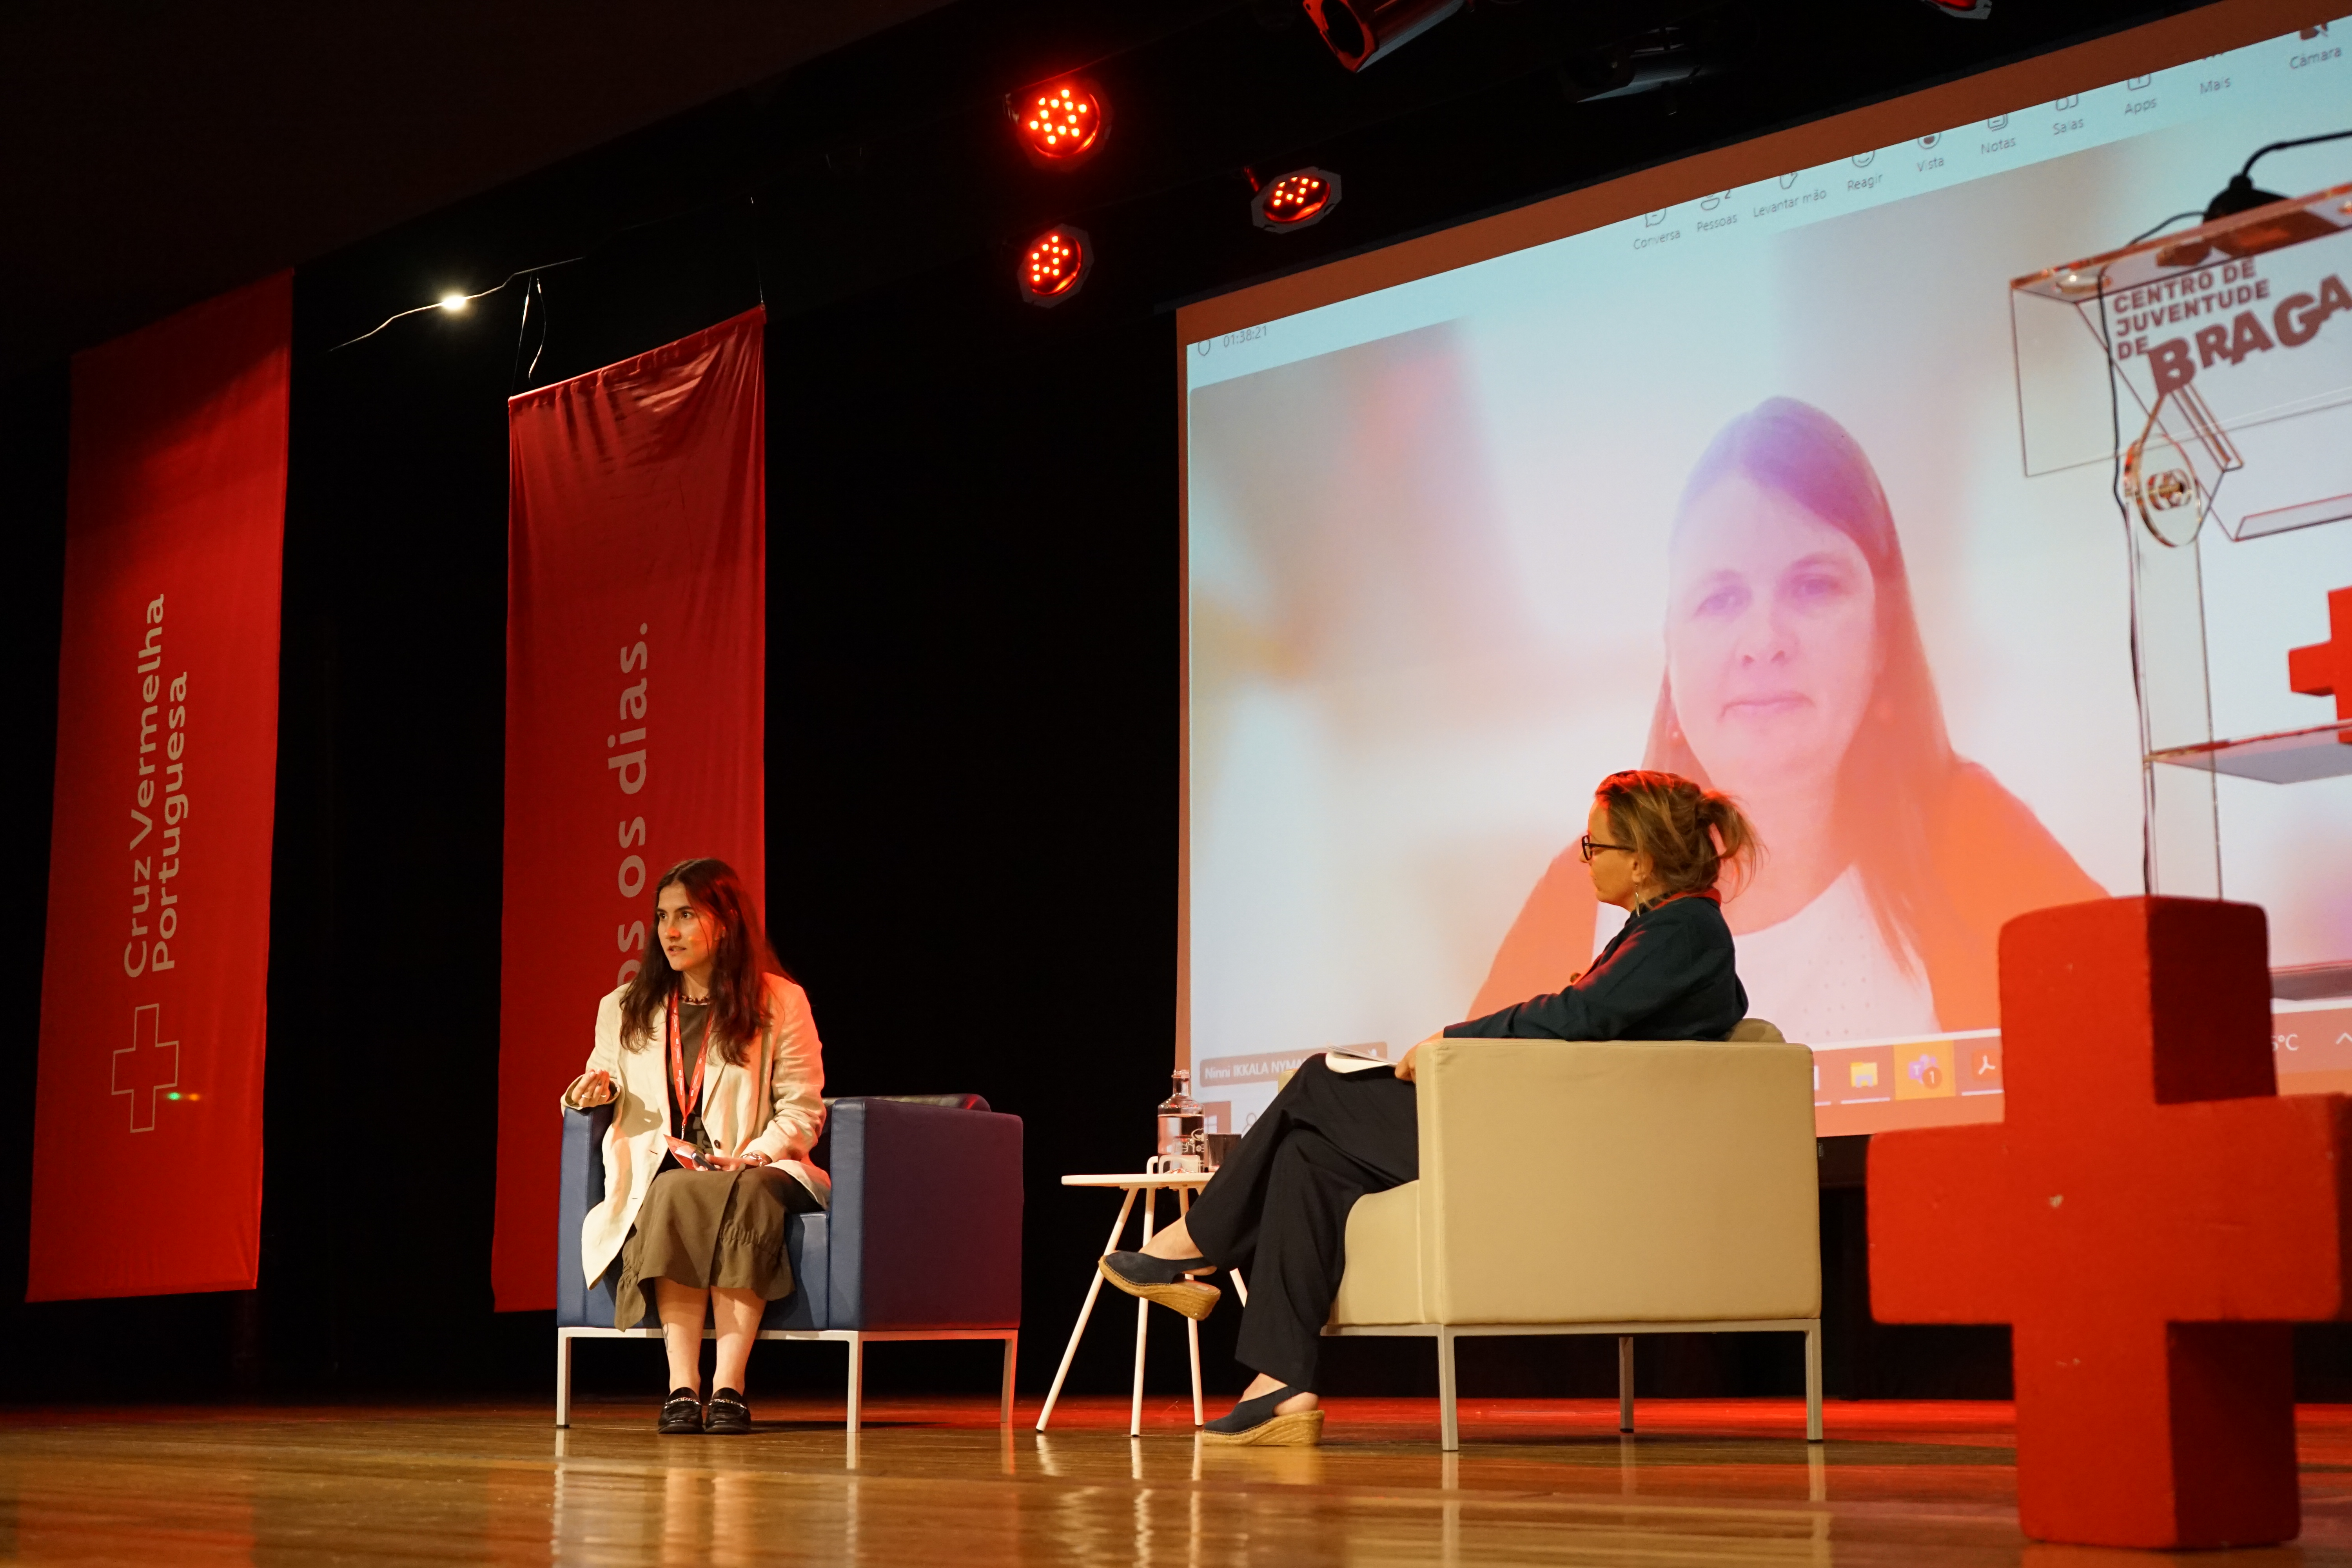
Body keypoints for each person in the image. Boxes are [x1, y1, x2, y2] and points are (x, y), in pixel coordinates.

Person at [1098, 771, 1758, 1446]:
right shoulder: (1663, 931)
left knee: (1318, 1082)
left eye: (1596, 846)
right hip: (1546, 1135)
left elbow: (1579, 1015)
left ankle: (1197, 1244)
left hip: (1553, 1153)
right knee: (1307, 1156)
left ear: (1641, 861)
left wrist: (1453, 1038)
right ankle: (1281, 1385)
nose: (1586, 859)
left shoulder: (1684, 930)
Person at [1474, 398, 2102, 1042]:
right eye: (1721, 598)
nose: (1764, 641)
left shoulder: (1978, 839)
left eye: (1813, 586)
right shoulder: (1584, 888)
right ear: (1670, 650)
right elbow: (1457, 1091)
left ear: (1883, 635)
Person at [561, 857, 827, 1436]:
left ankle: (729, 1388)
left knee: (747, 1190)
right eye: (662, 917)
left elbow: (803, 1109)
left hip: (756, 1160)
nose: (670, 931)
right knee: (677, 1190)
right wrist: (587, 1092)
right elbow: (597, 1079)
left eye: (685, 915)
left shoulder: (781, 1001)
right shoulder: (624, 1007)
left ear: (725, 923)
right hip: (666, 1165)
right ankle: (683, 1388)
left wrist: (755, 1154)